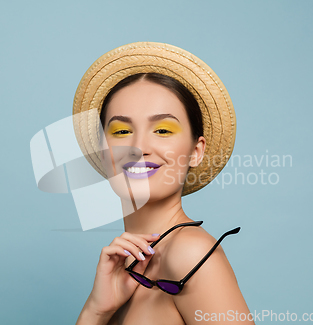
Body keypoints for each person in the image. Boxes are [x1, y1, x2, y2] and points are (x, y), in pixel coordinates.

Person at [74, 42, 253, 324]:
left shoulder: (190, 254)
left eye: (162, 130)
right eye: (121, 130)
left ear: (196, 151)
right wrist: (95, 311)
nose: (138, 146)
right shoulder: (122, 269)